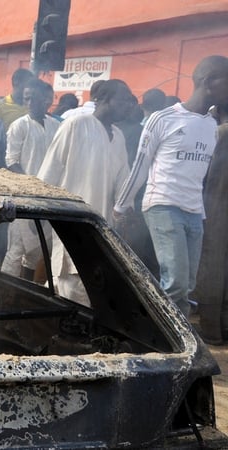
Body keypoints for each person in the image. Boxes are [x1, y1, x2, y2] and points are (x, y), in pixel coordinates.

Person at [114, 55, 228, 318]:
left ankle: (172, 336)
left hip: (194, 213)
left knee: (187, 285)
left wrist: (202, 213)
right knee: (175, 283)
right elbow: (140, 166)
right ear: (208, 82)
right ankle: (173, 344)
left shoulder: (211, 126)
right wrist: (122, 205)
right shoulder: (163, 119)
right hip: (163, 205)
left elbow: (201, 176)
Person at [38, 79, 134, 306]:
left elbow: (124, 180)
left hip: (102, 224)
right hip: (72, 220)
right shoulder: (76, 125)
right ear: (103, 100)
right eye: (123, 100)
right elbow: (48, 173)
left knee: (88, 287)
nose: (127, 106)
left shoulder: (118, 136)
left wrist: (126, 210)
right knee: (71, 285)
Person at [2, 79, 60, 278]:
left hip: (49, 197)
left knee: (39, 249)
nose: (28, 102)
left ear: (45, 99)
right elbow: (11, 161)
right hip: (24, 196)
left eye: (32, 98)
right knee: (17, 249)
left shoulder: (55, 126)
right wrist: (30, 185)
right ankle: (5, 294)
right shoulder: (19, 126)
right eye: (25, 98)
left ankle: (29, 291)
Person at [193, 111, 228, 344]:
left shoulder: (220, 133)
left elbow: (201, 172)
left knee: (212, 266)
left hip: (217, 206)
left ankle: (212, 330)